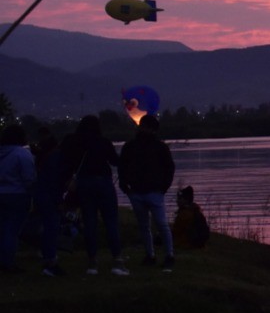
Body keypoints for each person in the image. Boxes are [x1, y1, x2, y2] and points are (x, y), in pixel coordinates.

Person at [60, 115, 128, 276]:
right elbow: (115, 161)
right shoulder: (103, 142)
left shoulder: (74, 143)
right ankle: (117, 262)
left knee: (89, 222)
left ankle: (92, 263)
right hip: (103, 183)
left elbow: (66, 163)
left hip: (83, 184)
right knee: (111, 222)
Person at [118, 115, 175, 271]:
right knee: (150, 225)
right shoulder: (135, 146)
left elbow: (169, 168)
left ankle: (165, 255)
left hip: (149, 191)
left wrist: (163, 187)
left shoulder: (135, 146)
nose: (144, 129)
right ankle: (154, 255)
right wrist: (126, 187)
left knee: (158, 224)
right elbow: (122, 167)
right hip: (140, 191)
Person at [31, 127, 69, 276]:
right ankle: (50, 263)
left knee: (46, 228)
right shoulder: (56, 158)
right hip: (50, 198)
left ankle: (47, 258)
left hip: (41, 196)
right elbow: (55, 182)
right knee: (51, 230)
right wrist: (59, 200)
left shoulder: (44, 158)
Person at [0, 126, 36, 273]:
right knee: (12, 231)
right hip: (17, 195)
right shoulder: (22, 154)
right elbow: (29, 178)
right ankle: (7, 263)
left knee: (2, 229)